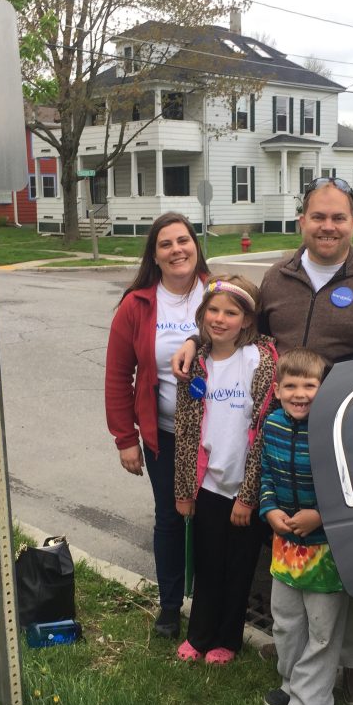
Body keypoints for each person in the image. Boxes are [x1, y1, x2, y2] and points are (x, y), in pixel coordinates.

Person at [174, 176, 353, 705]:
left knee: (350, 554)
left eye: (338, 217)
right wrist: (195, 339)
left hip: (345, 448)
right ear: (302, 219)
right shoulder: (277, 279)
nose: (328, 227)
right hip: (280, 444)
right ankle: (296, 650)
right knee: (291, 548)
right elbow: (237, 325)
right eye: (318, 216)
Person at [104, 212, 210, 640]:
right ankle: (169, 605)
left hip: (217, 435)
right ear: (154, 255)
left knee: (212, 520)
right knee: (169, 518)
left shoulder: (218, 292)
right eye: (166, 244)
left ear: (196, 245)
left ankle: (210, 603)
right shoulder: (137, 305)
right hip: (163, 435)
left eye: (183, 240)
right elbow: (118, 375)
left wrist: (196, 339)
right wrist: (125, 439)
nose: (176, 250)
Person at [172, 275, 278, 665]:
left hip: (244, 490)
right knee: (208, 564)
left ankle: (227, 639)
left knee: (239, 569)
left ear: (247, 320)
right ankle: (199, 634)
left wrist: (248, 496)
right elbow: (186, 431)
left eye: (231, 313)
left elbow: (264, 431)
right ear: (202, 315)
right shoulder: (194, 364)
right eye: (213, 310)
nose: (220, 319)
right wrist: (184, 491)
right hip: (209, 487)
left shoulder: (259, 362)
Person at [259, 349, 343, 705]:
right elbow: (265, 474)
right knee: (287, 621)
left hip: (327, 549)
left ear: (323, 389)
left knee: (322, 631)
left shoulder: (333, 430)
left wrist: (320, 516)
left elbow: (348, 484)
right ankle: (292, 684)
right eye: (290, 385)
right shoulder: (272, 425)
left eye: (310, 385)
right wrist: (269, 509)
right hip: (286, 546)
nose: (300, 394)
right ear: (277, 390)